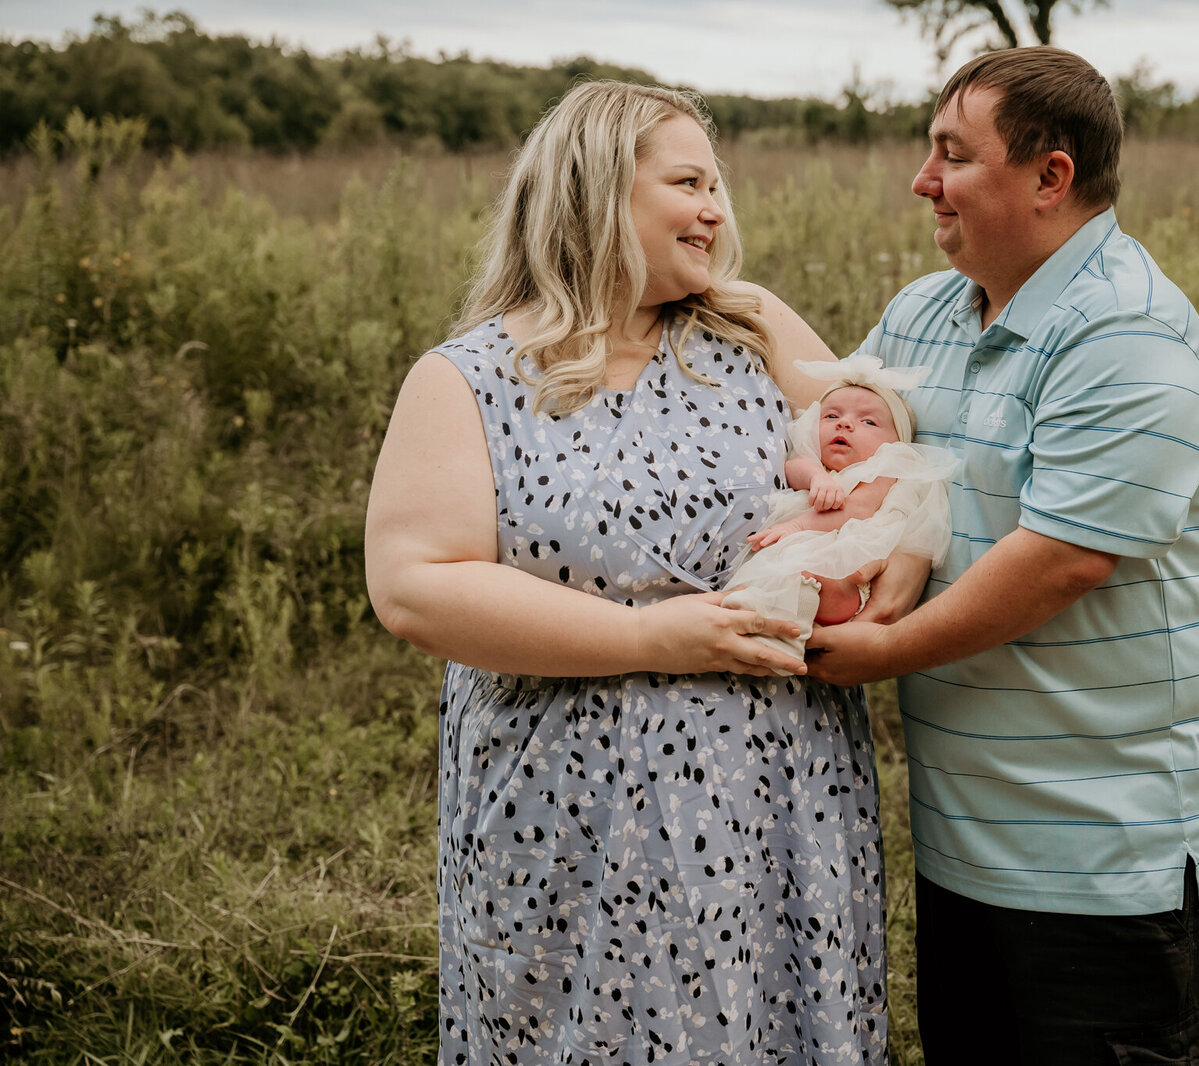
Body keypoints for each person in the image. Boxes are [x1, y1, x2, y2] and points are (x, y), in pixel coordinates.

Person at [364, 81, 887, 1066]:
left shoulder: (750, 331)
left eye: (718, 186)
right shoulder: (470, 377)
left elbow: (883, 459)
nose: (716, 210)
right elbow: (414, 585)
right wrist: (652, 638)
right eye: (688, 182)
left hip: (777, 807)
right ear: (596, 187)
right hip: (572, 822)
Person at [805, 47, 1199, 1064]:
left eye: (951, 155)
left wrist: (881, 651)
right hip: (965, 846)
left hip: (1105, 859)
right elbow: (845, 439)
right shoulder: (923, 314)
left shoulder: (1126, 335)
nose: (922, 181)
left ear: (1050, 178)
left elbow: (1061, 559)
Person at [722, 354, 959, 665]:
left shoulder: (889, 467)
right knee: (766, 577)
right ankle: (753, 613)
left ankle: (787, 636)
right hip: (805, 552)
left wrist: (797, 526)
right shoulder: (815, 462)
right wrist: (818, 477)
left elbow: (858, 508)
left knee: (815, 575)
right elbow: (794, 469)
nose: (845, 423)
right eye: (831, 416)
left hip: (850, 568)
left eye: (868, 421)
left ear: (896, 440)